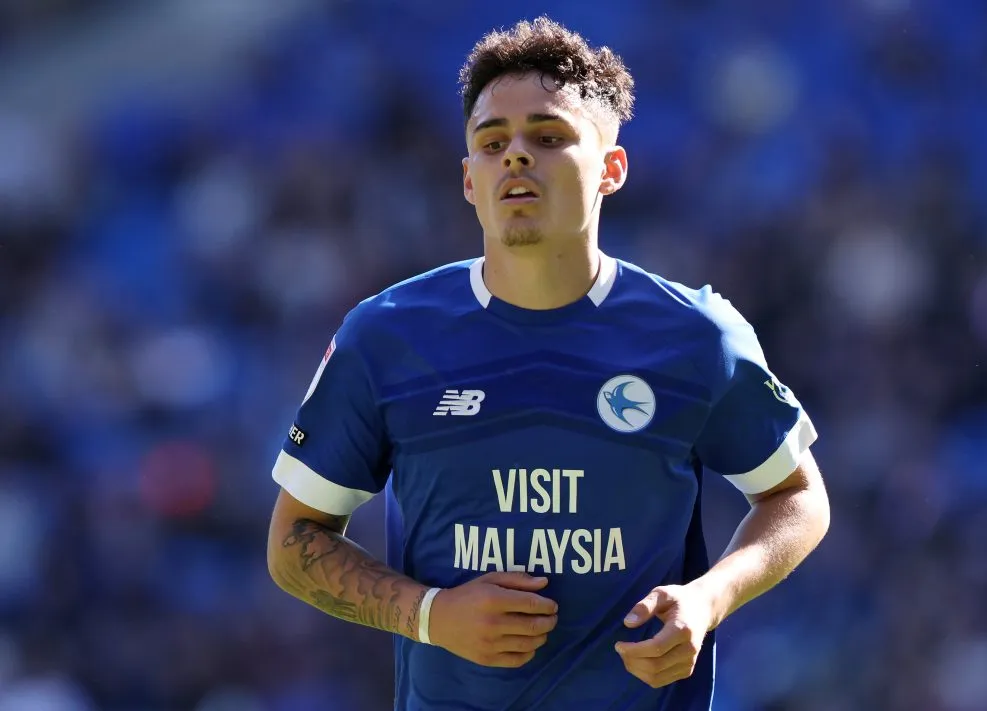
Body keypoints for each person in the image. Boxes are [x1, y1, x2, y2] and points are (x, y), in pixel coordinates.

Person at [266, 16, 830, 711]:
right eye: (492, 142)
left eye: (550, 136)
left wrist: (710, 597)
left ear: (611, 169)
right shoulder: (382, 337)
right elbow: (294, 539)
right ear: (469, 179)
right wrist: (429, 613)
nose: (516, 157)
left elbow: (798, 497)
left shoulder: (697, 336)